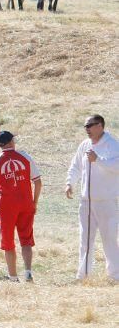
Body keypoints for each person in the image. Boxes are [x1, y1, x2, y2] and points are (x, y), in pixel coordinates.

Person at [66, 114, 118, 281]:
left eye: (90, 125)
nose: (87, 129)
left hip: (106, 201)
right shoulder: (85, 145)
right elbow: (76, 166)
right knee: (85, 239)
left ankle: (115, 276)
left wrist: (98, 160)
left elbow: (117, 166)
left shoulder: (112, 144)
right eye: (85, 126)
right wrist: (70, 183)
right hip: (86, 202)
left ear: (100, 126)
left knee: (109, 238)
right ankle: (84, 275)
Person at [0, 131, 42, 282]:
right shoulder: (25, 157)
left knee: (8, 241)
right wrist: (34, 202)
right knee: (26, 239)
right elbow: (37, 181)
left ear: (0, 145)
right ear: (11, 142)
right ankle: (28, 272)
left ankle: (13, 277)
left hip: (7, 205)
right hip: (26, 202)